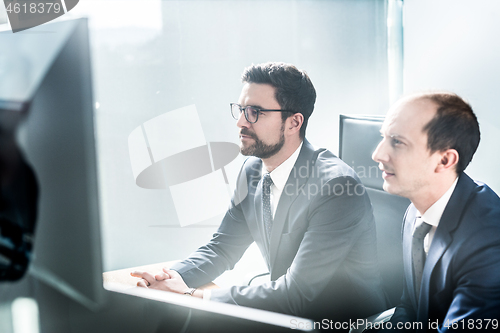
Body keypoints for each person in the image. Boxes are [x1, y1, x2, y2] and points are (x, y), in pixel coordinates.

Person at [132, 62, 386, 322]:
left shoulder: (337, 188)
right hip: (286, 314)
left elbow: (296, 294)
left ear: (293, 122)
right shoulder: (253, 170)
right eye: (241, 110)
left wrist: (193, 296)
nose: (242, 121)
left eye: (256, 112)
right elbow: (222, 247)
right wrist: (170, 278)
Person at [372, 92, 500, 331]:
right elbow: (409, 307)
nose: (378, 154)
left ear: (444, 160)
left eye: (397, 142)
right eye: (383, 138)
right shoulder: (415, 213)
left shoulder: (489, 239)